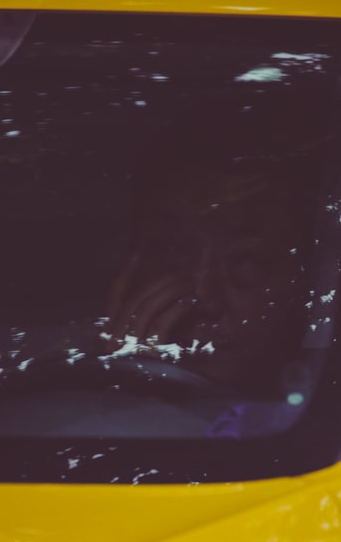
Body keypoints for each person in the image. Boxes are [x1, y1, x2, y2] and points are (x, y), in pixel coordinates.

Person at [99, 99, 327, 396]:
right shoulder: (49, 386)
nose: (205, 299)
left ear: (308, 279)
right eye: (172, 249)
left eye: (245, 261)